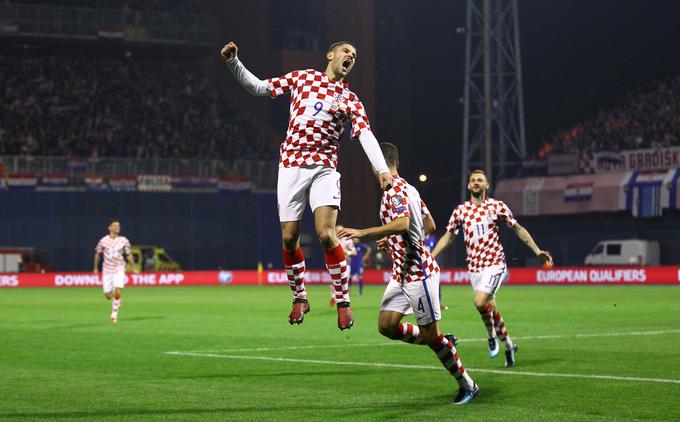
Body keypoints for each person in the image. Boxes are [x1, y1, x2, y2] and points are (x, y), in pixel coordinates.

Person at [221, 41, 392, 330]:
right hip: (290, 166)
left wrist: (381, 170)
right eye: (346, 51)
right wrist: (233, 62)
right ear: (330, 55)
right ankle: (300, 297)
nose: (351, 56)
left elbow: (365, 135)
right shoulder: (303, 78)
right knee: (289, 237)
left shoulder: (350, 99)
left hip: (324, 169)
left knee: (327, 234)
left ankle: (343, 302)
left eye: (355, 55)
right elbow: (260, 88)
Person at [338, 143, 478, 405]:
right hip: (401, 274)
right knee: (386, 326)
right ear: (397, 163)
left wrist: (365, 233)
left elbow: (402, 223)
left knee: (430, 336)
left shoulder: (392, 190)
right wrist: (394, 242)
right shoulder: (410, 188)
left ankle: (468, 384)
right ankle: (440, 340)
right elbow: (430, 225)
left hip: (417, 275)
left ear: (376, 164)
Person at [431, 169, 553, 367]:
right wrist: (431, 257)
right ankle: (509, 346)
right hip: (474, 269)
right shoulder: (460, 211)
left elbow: (518, 228)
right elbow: (448, 237)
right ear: (469, 185)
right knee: (491, 308)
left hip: (495, 264)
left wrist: (537, 250)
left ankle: (490, 336)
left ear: (487, 185)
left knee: (480, 302)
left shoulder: (497, 207)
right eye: (473, 180)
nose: (476, 182)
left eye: (480, 180)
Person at [93, 220, 137, 323]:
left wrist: (133, 266)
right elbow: (98, 253)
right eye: (115, 226)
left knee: (117, 290)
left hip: (119, 267)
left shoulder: (123, 240)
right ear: (110, 228)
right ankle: (116, 299)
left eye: (119, 226)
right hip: (107, 269)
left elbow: (128, 254)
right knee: (108, 295)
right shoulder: (103, 240)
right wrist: (95, 267)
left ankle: (114, 314)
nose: (118, 227)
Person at [329, 225, 357, 307]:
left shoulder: (348, 240)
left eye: (341, 230)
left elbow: (354, 252)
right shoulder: (332, 240)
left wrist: (346, 252)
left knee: (345, 283)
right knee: (333, 283)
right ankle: (333, 297)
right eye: (337, 230)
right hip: (334, 264)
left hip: (346, 263)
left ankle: (346, 303)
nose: (339, 232)